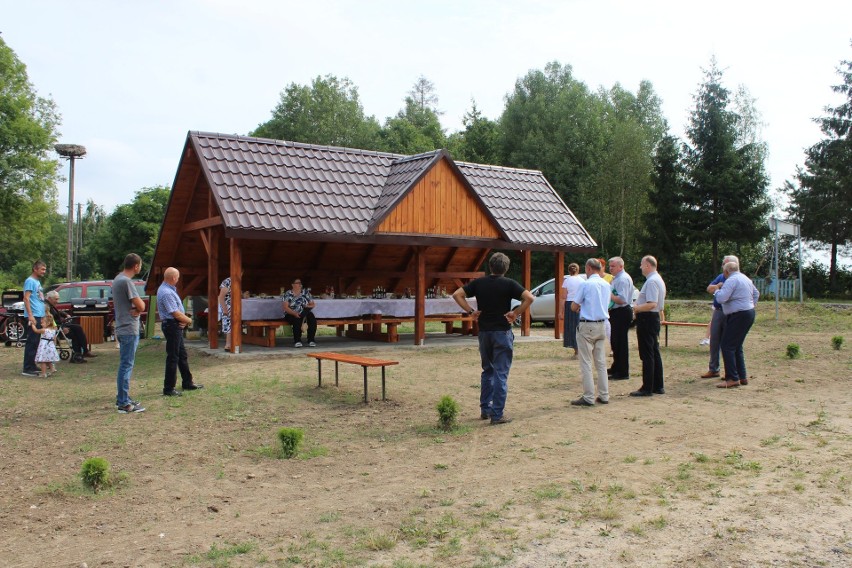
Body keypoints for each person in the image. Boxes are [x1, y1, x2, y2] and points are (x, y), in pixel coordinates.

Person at [453, 252, 534, 425]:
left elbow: (457, 294)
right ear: (506, 268)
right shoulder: (509, 284)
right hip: (502, 332)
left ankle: (485, 409)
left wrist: (470, 311)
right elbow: (529, 298)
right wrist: (516, 313)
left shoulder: (479, 283)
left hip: (484, 332)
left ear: (490, 266)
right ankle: (497, 414)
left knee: (487, 370)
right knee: (501, 373)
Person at [569, 258, 611, 406]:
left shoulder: (586, 284)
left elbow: (574, 306)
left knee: (586, 362)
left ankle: (588, 396)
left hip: (587, 325)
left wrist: (579, 307)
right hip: (602, 324)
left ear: (588, 269)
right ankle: (604, 395)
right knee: (600, 362)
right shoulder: (606, 284)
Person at [157, 267, 204, 396]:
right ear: (173, 278)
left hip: (175, 325)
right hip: (172, 326)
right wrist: (188, 320)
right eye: (177, 277)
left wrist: (182, 319)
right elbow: (175, 313)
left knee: (181, 355)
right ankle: (168, 388)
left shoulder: (169, 289)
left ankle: (187, 382)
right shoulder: (166, 292)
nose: (178, 279)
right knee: (173, 357)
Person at [714, 261, 759, 388]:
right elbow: (756, 294)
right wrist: (749, 305)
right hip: (748, 313)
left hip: (738, 315)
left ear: (726, 271)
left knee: (727, 345)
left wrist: (717, 290)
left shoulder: (731, 280)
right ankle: (741, 376)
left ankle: (732, 378)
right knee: (736, 346)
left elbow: (721, 298)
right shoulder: (746, 278)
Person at [114, 253, 146, 414]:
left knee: (124, 364)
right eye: (140, 265)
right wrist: (138, 308)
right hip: (128, 328)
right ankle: (123, 403)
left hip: (121, 326)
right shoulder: (127, 281)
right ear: (136, 266)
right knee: (126, 365)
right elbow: (141, 305)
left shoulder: (117, 278)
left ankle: (122, 397)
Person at [630, 255, 666, 397]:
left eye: (641, 264)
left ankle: (647, 387)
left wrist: (636, 308)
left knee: (647, 354)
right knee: (654, 352)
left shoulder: (651, 281)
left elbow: (652, 303)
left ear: (648, 266)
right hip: (652, 318)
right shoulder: (657, 279)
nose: (640, 267)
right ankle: (658, 385)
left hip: (648, 318)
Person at [701, 255, 738, 379]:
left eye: (725, 264)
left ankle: (731, 372)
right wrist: (718, 286)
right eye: (723, 264)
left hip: (731, 313)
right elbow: (709, 288)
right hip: (718, 311)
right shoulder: (721, 277)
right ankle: (714, 369)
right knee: (714, 340)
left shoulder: (737, 278)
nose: (723, 266)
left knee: (728, 343)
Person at [45, 290, 96, 361]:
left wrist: (65, 314)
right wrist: (62, 326)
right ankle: (84, 351)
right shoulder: (46, 306)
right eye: (56, 299)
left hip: (60, 325)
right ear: (50, 298)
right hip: (56, 327)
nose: (57, 301)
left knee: (76, 333)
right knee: (78, 328)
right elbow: (50, 319)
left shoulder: (50, 305)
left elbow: (57, 313)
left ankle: (77, 356)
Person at [607, 257, 633, 381]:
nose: (610, 268)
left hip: (622, 311)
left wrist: (609, 294)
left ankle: (622, 371)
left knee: (620, 343)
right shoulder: (616, 278)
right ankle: (616, 366)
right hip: (616, 311)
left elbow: (622, 299)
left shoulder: (622, 279)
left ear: (621, 267)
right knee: (615, 341)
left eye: (613, 266)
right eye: (610, 266)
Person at [21, 260, 47, 377]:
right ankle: (27, 368)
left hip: (39, 314)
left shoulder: (37, 282)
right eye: (42, 269)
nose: (44, 272)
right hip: (33, 314)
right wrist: (30, 315)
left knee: (36, 341)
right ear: (35, 269)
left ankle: (32, 364)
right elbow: (26, 298)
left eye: (45, 269)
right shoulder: (30, 281)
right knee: (32, 341)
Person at [281, 278, 317, 348]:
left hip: (304, 311)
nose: (300, 284)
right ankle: (297, 341)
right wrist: (294, 313)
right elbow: (285, 307)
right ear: (292, 285)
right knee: (296, 319)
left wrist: (306, 306)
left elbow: (312, 304)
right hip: (290, 313)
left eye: (300, 282)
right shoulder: (288, 293)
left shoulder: (305, 292)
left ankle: (311, 340)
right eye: (298, 283)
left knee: (312, 318)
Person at [560, 263, 584, 359]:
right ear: (578, 270)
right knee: (580, 327)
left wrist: (560, 312)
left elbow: (563, 297)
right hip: (580, 304)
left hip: (570, 304)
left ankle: (576, 351)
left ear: (569, 271)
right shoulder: (582, 280)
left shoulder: (566, 281)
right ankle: (581, 349)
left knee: (571, 327)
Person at [30, 313, 59, 378]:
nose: (41, 324)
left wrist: (33, 325)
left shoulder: (44, 330)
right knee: (48, 359)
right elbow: (54, 339)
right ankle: (52, 368)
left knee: (43, 361)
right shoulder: (53, 330)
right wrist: (54, 345)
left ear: (48, 323)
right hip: (50, 346)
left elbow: (36, 331)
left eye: (42, 323)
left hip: (44, 347)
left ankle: (43, 373)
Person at [218, 276, 232, 350]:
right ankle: (228, 345)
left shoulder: (236, 281)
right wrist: (225, 309)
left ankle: (231, 343)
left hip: (233, 306)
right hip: (227, 306)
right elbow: (221, 297)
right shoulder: (227, 282)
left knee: (231, 325)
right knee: (228, 325)